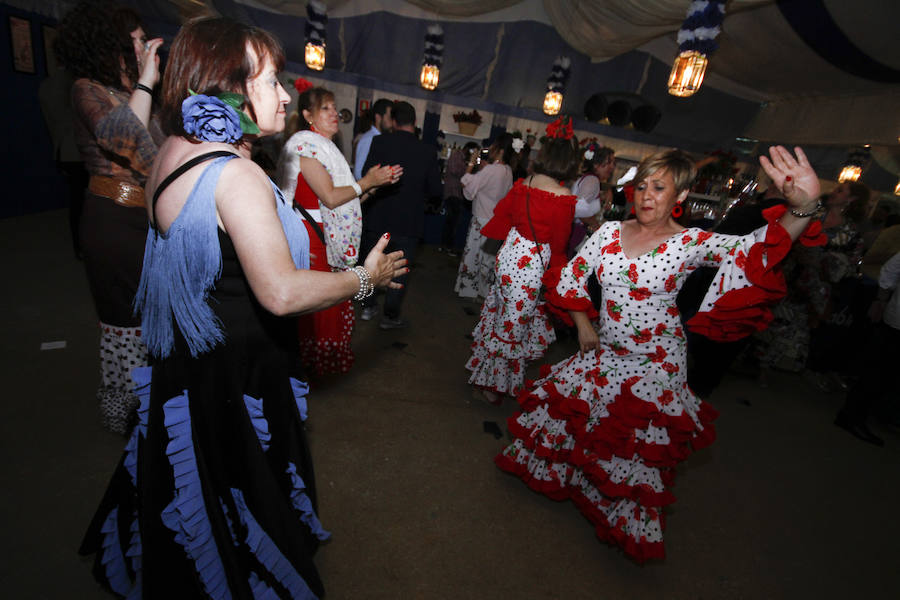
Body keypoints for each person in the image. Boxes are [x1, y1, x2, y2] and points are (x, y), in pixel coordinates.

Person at [77, 17, 407, 597]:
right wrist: (364, 279)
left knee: (194, 476)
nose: (285, 94)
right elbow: (280, 292)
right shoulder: (238, 175)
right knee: (241, 480)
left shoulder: (171, 149)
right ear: (228, 86)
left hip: (188, 350)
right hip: (239, 361)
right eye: (272, 80)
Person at [495, 146, 826, 563]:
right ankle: (582, 490)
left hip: (657, 361)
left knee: (634, 447)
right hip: (607, 350)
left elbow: (755, 251)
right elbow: (571, 278)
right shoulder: (607, 233)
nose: (646, 195)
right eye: (641, 186)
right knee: (583, 422)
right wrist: (583, 325)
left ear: (681, 197)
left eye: (659, 188)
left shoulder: (690, 242)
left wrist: (804, 208)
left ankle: (620, 519)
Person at [54, 0, 164, 435]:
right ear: (113, 43)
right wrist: (148, 81)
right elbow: (123, 137)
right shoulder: (87, 89)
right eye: (137, 40)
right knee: (125, 321)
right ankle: (127, 417)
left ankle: (155, 406)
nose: (144, 47)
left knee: (156, 317)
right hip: (113, 221)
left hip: (147, 219)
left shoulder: (140, 92)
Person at [276, 83, 399, 375]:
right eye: (326, 109)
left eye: (334, 108)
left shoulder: (327, 150)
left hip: (323, 237)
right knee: (319, 305)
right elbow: (331, 197)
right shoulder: (307, 149)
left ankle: (318, 366)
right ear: (308, 115)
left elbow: (345, 201)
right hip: (311, 238)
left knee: (328, 301)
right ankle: (309, 367)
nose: (334, 114)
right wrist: (367, 182)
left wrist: (374, 186)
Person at [465, 119, 579, 404]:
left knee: (501, 317)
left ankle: (485, 376)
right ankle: (493, 387)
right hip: (530, 267)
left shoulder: (524, 183)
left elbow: (503, 217)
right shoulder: (563, 197)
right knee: (512, 327)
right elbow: (559, 245)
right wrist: (562, 282)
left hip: (509, 257)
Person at [360, 101, 443, 328]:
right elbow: (436, 190)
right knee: (400, 271)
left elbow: (367, 176)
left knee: (371, 264)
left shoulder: (380, 142)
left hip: (378, 216)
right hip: (409, 221)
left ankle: (367, 307)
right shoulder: (427, 151)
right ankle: (390, 316)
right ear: (415, 123)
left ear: (393, 121)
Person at [834, 251, 900, 446]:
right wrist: (882, 299)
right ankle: (851, 417)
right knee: (878, 373)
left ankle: (858, 415)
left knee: (885, 374)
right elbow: (889, 270)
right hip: (896, 323)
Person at [454, 134, 515, 299]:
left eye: (494, 146)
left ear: (500, 150)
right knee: (487, 260)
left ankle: (470, 291)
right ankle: (484, 292)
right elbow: (485, 176)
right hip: (495, 220)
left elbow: (466, 183)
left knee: (474, 256)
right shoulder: (507, 170)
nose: (491, 149)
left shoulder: (492, 170)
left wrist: (472, 163)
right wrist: (480, 164)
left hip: (481, 218)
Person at [568, 142, 616, 256]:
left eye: (613, 163)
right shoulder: (592, 180)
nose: (612, 167)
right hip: (575, 231)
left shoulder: (589, 179)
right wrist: (596, 226)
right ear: (596, 164)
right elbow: (579, 209)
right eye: (609, 163)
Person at [438, 142, 479, 256]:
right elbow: (455, 171)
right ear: (469, 150)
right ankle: (447, 247)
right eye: (473, 152)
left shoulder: (463, 158)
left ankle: (444, 246)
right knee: (452, 222)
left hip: (457, 194)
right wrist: (468, 168)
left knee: (451, 222)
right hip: (453, 193)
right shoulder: (457, 155)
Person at [353, 98, 393, 180]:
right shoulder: (369, 139)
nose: (392, 123)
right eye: (389, 118)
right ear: (378, 118)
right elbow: (358, 173)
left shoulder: (384, 138)